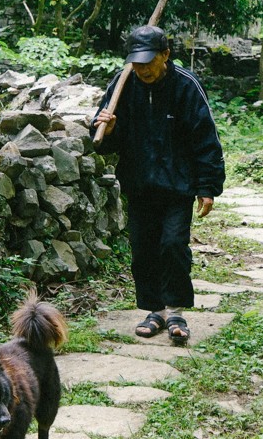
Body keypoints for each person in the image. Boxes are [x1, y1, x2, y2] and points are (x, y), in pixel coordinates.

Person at [92, 25, 226, 345]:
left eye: (149, 62)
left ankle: (176, 310)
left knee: (172, 245)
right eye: (136, 63)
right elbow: (103, 143)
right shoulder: (122, 84)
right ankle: (154, 312)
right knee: (143, 249)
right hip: (139, 183)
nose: (142, 69)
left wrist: (208, 187)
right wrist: (107, 131)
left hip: (179, 184)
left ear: (165, 55)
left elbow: (206, 139)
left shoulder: (186, 87)